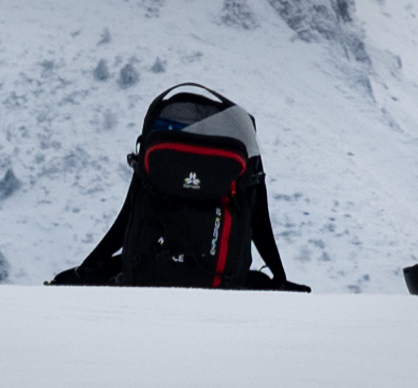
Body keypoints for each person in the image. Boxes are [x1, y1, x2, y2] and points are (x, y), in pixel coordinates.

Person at [50, 84, 302, 289]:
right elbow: (260, 222)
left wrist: (86, 272)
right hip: (224, 282)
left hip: (142, 277)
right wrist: (278, 277)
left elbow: (125, 219)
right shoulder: (241, 139)